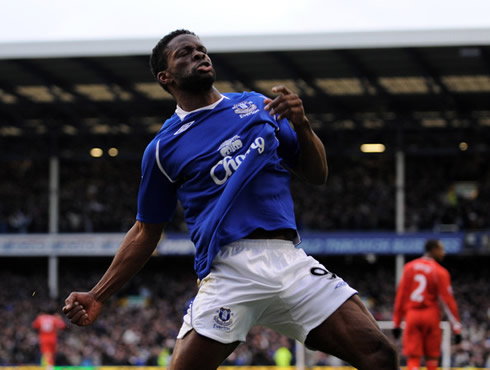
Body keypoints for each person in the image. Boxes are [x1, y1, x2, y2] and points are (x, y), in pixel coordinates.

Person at [62, 29, 399, 370]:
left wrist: (303, 125)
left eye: (201, 49)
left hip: (289, 260)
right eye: (185, 53)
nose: (199, 55)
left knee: (380, 355)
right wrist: (98, 294)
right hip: (229, 269)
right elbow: (145, 232)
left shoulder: (256, 105)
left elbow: (317, 174)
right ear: (166, 77)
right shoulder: (163, 150)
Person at [392, 239, 462, 370]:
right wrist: (456, 328)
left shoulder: (409, 268)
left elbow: (401, 297)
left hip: (412, 316)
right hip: (431, 315)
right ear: (433, 250)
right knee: (432, 358)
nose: (444, 253)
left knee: (413, 357)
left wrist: (396, 322)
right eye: (441, 249)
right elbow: (448, 302)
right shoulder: (440, 272)